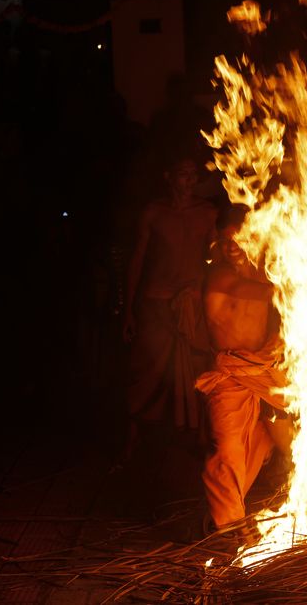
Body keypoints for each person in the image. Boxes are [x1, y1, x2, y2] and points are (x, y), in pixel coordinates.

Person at [196, 208, 294, 532]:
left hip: (263, 372)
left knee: (281, 438)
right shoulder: (221, 276)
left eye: (239, 238)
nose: (233, 246)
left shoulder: (262, 273)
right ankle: (228, 526)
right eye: (226, 241)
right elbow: (260, 292)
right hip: (232, 374)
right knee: (228, 450)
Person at [121, 155, 217, 463]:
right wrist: (128, 309)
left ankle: (201, 440)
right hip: (157, 302)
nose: (189, 181)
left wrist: (202, 290)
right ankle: (132, 440)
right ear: (168, 176)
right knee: (145, 373)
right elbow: (137, 260)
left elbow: (214, 260)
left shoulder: (207, 213)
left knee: (199, 372)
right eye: (182, 174)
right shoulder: (154, 212)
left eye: (193, 175)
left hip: (191, 304)